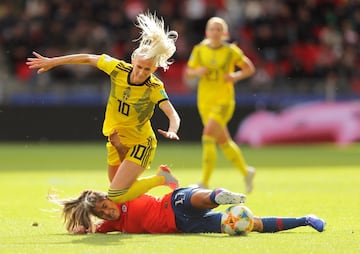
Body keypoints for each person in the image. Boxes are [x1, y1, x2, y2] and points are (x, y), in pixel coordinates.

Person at [26, 12, 181, 203]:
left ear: (154, 69)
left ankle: (161, 178)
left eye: (147, 69)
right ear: (133, 62)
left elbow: (172, 113)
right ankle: (137, 216)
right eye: (139, 67)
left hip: (141, 143)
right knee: (119, 190)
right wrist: (53, 62)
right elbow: (87, 58)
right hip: (115, 138)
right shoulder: (118, 69)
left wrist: (173, 129)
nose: (141, 72)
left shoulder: (154, 87)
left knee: (116, 193)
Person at [51, 186, 326, 235]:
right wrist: (83, 227)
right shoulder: (112, 226)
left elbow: (127, 167)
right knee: (249, 224)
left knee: (200, 198)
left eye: (105, 205)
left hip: (173, 202)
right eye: (102, 212)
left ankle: (221, 195)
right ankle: (306, 220)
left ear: (108, 197)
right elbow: (91, 230)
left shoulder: (123, 192)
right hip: (186, 226)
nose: (108, 211)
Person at [185, 17, 256, 193]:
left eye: (219, 29)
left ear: (224, 33)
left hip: (224, 100)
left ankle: (204, 182)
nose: (215, 32)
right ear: (207, 32)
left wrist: (235, 76)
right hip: (205, 101)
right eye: (212, 29)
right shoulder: (199, 50)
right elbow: (188, 72)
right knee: (224, 141)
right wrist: (196, 72)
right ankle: (246, 172)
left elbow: (249, 68)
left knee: (208, 136)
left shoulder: (231, 51)